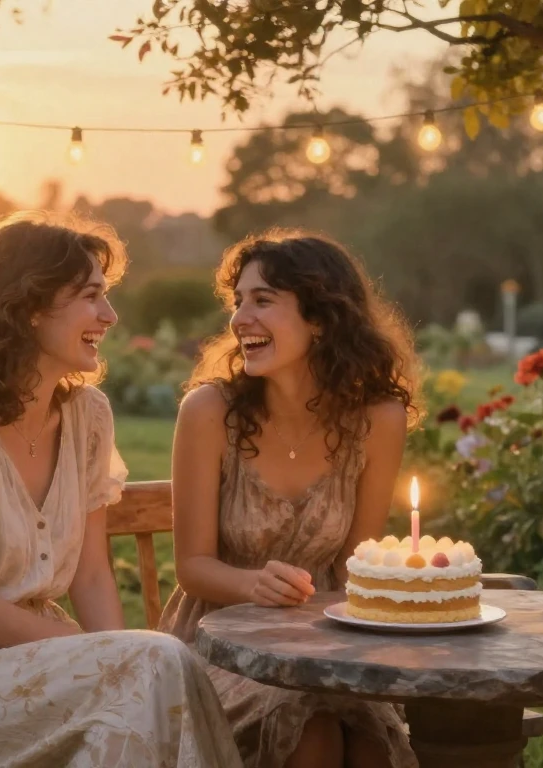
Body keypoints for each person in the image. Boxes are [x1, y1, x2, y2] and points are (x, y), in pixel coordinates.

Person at [0, 212, 239, 768]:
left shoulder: (87, 416)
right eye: (91, 296)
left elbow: (92, 574)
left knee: (146, 683)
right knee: (157, 663)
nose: (109, 315)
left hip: (46, 666)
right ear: (27, 307)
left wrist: (115, 656)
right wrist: (98, 652)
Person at [159, 230, 422, 768]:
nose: (239, 319)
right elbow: (191, 567)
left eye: (263, 301)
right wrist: (252, 584)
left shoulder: (377, 418)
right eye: (238, 302)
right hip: (222, 644)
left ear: (320, 318)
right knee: (313, 735)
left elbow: (357, 566)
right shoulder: (209, 412)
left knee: (372, 745)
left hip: (327, 641)